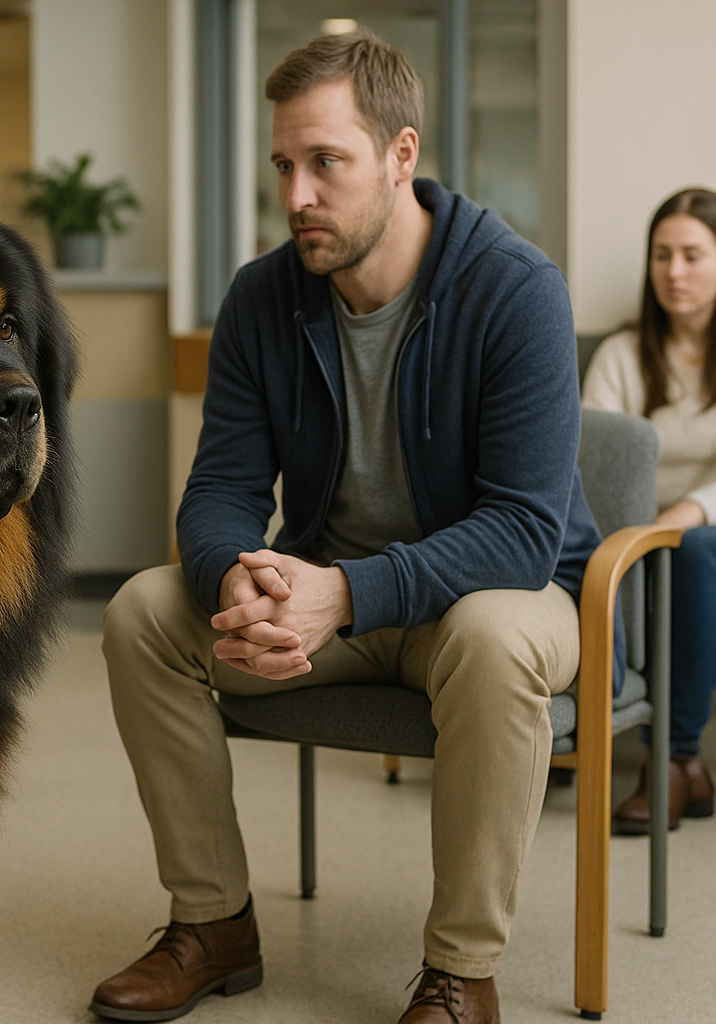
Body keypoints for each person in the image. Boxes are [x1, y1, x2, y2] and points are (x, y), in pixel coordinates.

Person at [92, 30, 598, 1024]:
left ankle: (460, 973)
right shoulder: (261, 298)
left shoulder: (517, 289)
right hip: (334, 602)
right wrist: (228, 574)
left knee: (496, 638)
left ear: (402, 156)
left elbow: (524, 532)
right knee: (145, 609)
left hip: (497, 601)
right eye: (284, 164)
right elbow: (222, 488)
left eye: (327, 162)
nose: (296, 196)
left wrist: (347, 591)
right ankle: (213, 921)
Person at [582, 187, 716, 835]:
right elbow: (599, 463)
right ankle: (578, 727)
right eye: (662, 255)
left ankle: (675, 758)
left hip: (702, 538)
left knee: (691, 553)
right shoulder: (621, 355)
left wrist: (688, 512)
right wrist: (644, 531)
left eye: (693, 255)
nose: (675, 272)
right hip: (632, 534)